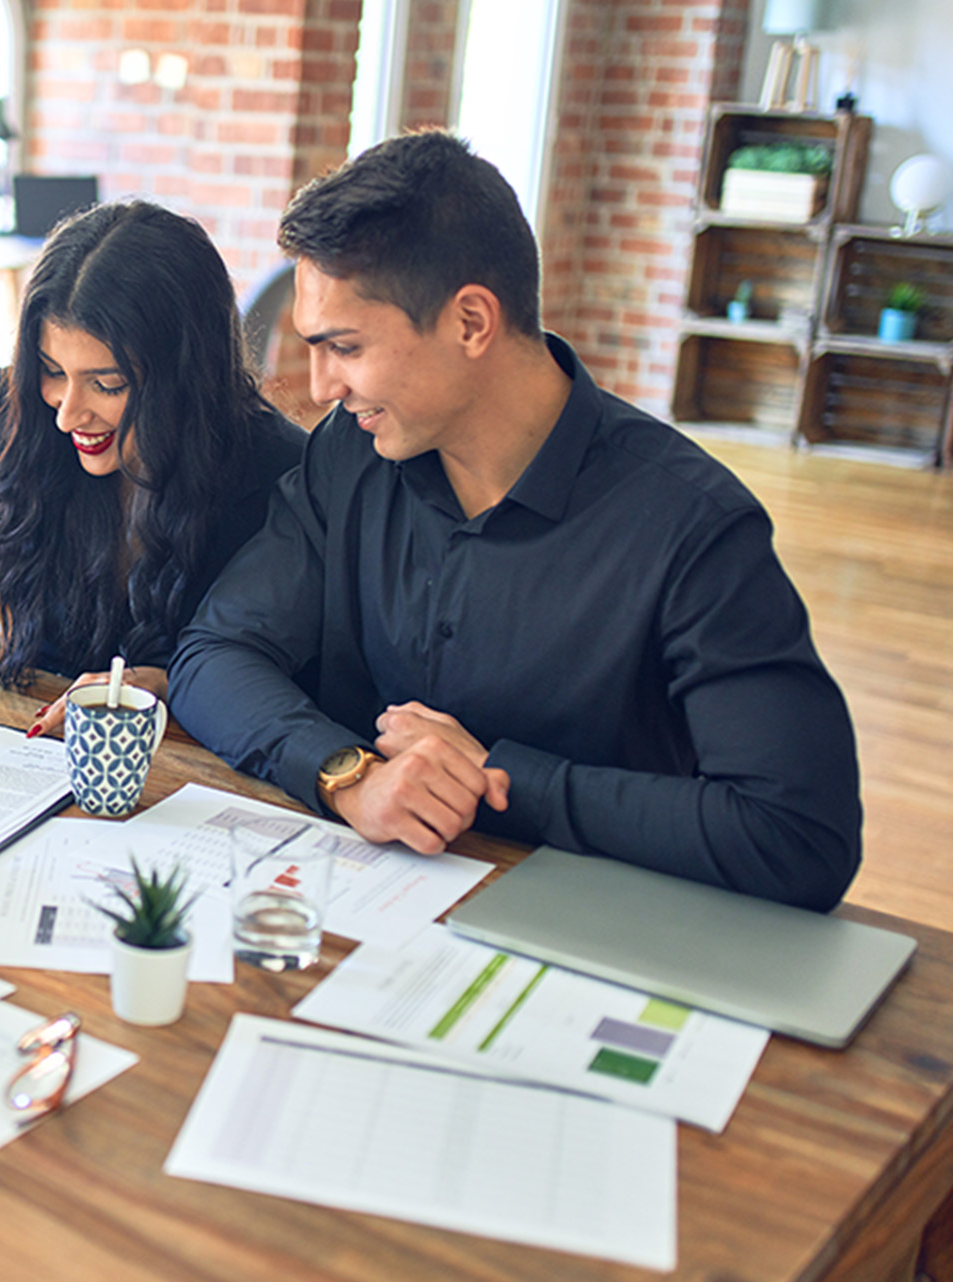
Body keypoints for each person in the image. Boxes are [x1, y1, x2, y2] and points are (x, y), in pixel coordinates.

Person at [167, 131, 861, 911]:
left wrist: (502, 781)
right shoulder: (351, 455)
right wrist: (348, 774)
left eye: (345, 347)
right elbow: (215, 651)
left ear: (471, 322)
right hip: (364, 905)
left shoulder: (695, 527)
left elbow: (799, 836)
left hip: (594, 936)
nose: (321, 386)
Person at [0, 200, 307, 735]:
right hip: (24, 751)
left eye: (108, 385)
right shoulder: (5, 416)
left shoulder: (282, 472)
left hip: (190, 768)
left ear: (186, 377)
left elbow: (303, 683)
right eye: (53, 371)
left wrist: (172, 688)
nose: (66, 414)